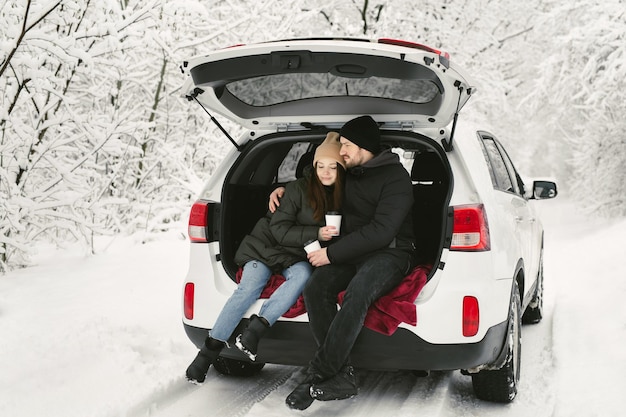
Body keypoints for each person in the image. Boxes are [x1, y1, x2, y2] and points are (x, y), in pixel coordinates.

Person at [270, 115, 417, 410]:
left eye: (347, 145)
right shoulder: (349, 171)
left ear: (364, 146)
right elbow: (315, 182)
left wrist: (331, 254)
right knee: (316, 288)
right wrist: (281, 190)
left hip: (391, 252)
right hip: (352, 252)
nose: (342, 152)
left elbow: (381, 231)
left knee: (358, 292)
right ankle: (343, 374)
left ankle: (319, 372)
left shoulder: (396, 179)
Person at [186, 132, 346, 384]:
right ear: (313, 166)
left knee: (302, 276)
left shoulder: (341, 196)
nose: (326, 172)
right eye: (320, 165)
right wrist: (316, 233)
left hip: (295, 254)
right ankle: (206, 355)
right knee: (249, 287)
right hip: (265, 246)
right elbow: (279, 230)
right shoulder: (296, 190)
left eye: (333, 166)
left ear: (341, 168)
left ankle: (255, 331)